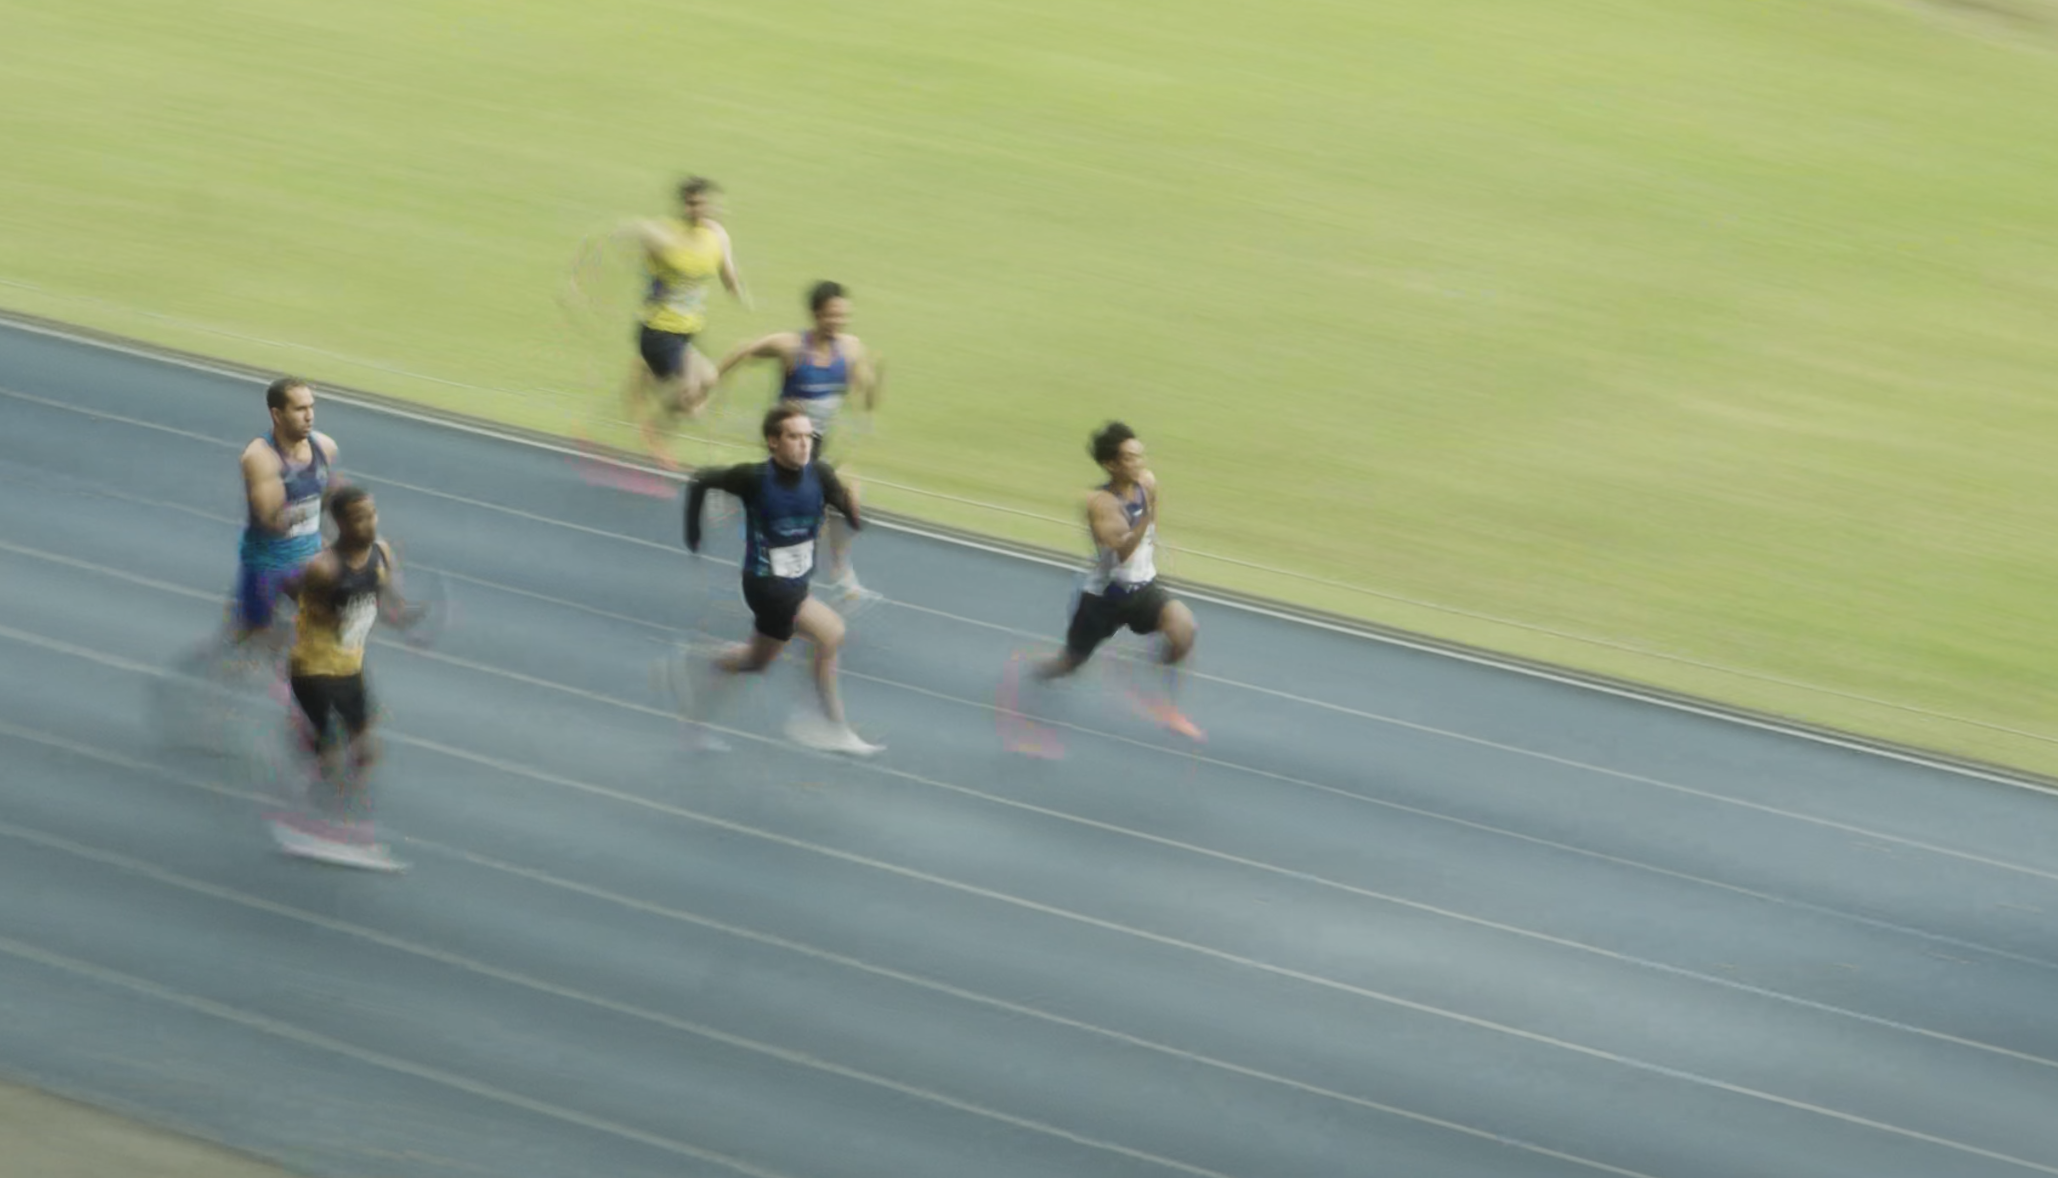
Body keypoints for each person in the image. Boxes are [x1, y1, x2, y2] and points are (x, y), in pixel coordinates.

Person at [667, 404, 883, 756]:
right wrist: (693, 531)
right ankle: (831, 726)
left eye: (808, 437)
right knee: (831, 634)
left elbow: (851, 519)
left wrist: (854, 508)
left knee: (756, 661)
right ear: (773, 442)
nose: (804, 444)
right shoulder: (753, 479)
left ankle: (700, 669)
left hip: (798, 582)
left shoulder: (821, 476)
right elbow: (702, 479)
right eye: (794, 437)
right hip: (768, 587)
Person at [998, 421, 1202, 757]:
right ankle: (1037, 674)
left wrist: (1154, 535)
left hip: (1143, 589)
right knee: (1071, 663)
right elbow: (1123, 548)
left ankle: (1156, 681)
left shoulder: (1147, 482)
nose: (1140, 463)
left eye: (1140, 455)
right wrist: (1146, 517)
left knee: (1184, 628)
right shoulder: (1099, 503)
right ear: (1111, 464)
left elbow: (1149, 528)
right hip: (1103, 599)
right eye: (1130, 459)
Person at [267, 485, 422, 870]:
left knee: (365, 753)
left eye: (371, 514)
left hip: (349, 668)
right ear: (341, 524)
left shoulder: (380, 554)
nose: (369, 523)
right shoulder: (323, 569)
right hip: (313, 670)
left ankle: (334, 815)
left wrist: (403, 620)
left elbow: (382, 599)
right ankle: (310, 819)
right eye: (359, 517)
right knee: (332, 755)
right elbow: (287, 596)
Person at [714, 280, 883, 605]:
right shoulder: (790, 346)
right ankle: (774, 571)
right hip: (789, 446)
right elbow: (743, 349)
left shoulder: (850, 348)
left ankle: (839, 572)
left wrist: (871, 390)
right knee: (807, 515)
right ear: (816, 314)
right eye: (831, 315)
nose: (838, 322)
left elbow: (863, 384)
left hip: (819, 444)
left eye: (842, 315)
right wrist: (711, 381)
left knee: (847, 499)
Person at [569, 176, 750, 468]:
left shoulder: (716, 235)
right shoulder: (662, 234)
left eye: (704, 204)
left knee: (704, 384)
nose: (699, 210)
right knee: (692, 402)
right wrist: (579, 283)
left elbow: (726, 269)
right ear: (684, 205)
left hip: (689, 331)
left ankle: (614, 417)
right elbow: (613, 235)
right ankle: (651, 431)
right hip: (659, 331)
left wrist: (737, 290)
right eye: (692, 204)